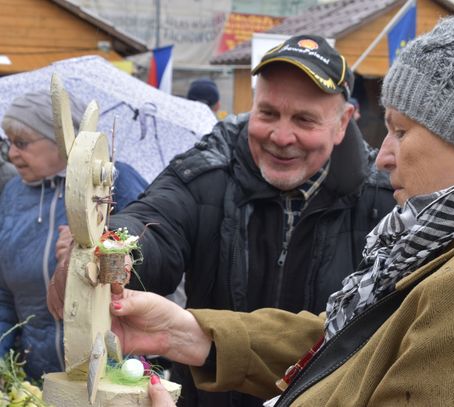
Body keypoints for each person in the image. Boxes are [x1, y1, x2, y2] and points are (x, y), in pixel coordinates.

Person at [109, 11, 454, 407]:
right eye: (268, 112)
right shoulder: (432, 232)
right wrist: (183, 330)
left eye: (402, 132)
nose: (385, 156)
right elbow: (351, 345)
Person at [49, 35, 395, 406]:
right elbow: (154, 221)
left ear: (343, 123)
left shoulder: (384, 200)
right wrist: (106, 249)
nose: (281, 136)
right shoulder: (209, 167)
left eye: (304, 120)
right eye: (267, 114)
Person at [0, 89, 148, 381]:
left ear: (61, 141)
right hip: (35, 377)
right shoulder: (13, 194)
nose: (12, 154)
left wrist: (96, 247)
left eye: (22, 143)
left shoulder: (112, 180)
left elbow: (152, 267)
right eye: (8, 143)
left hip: (112, 373)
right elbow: (3, 292)